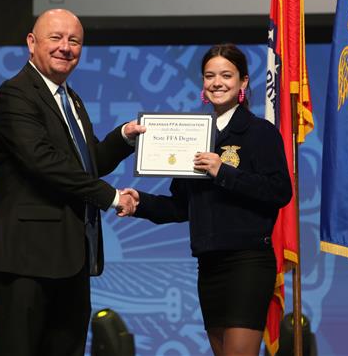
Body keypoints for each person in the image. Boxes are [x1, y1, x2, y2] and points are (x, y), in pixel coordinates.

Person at [0, 9, 145, 356]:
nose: (65, 47)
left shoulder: (71, 99)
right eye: (55, 38)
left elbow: (86, 163)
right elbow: (45, 164)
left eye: (74, 41)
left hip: (70, 263)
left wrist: (123, 138)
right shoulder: (16, 94)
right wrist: (112, 197)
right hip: (24, 263)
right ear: (32, 43)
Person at [122, 43, 292, 356]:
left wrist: (222, 171)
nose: (217, 82)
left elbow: (279, 191)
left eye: (226, 75)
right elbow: (180, 206)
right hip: (209, 265)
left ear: (242, 82)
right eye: (210, 75)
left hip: (248, 262)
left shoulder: (259, 132)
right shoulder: (194, 135)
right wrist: (139, 204)